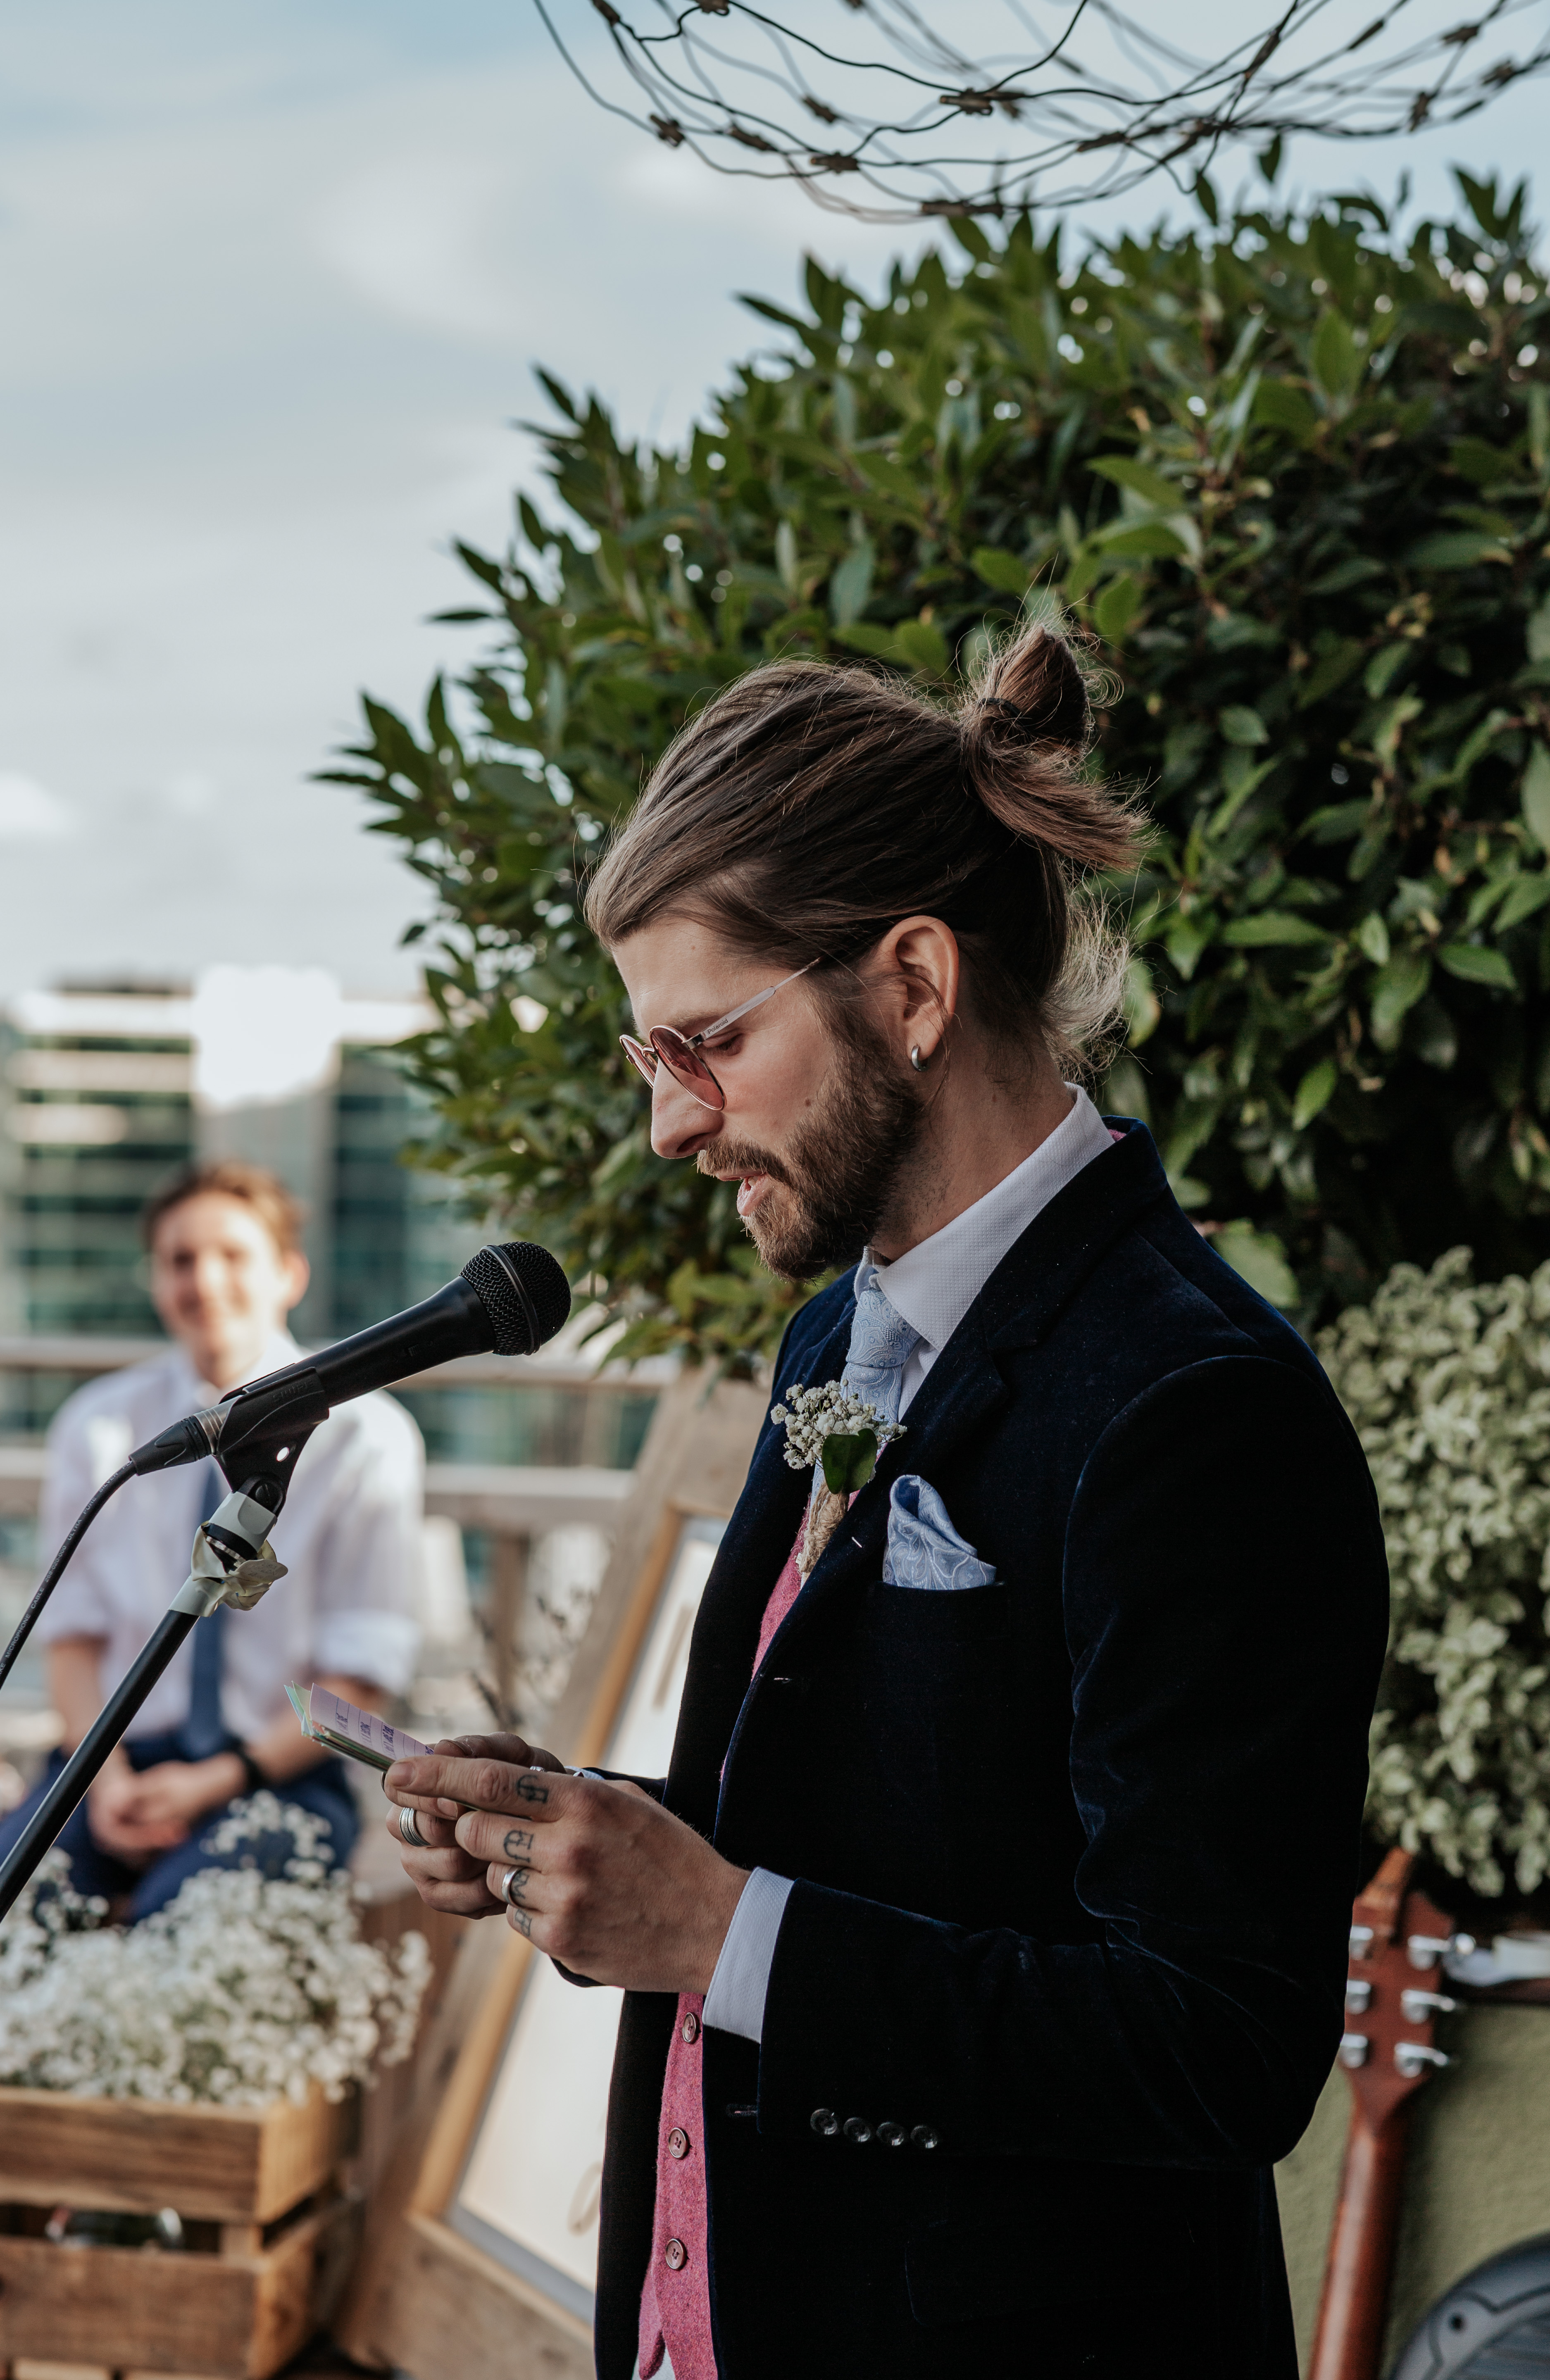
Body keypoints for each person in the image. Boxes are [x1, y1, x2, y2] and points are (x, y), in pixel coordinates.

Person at [383, 621, 1388, 2380]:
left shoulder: (1199, 1406)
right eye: (650, 1060)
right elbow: (899, 1835)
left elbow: (1219, 2046)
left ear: (914, 987)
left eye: (706, 1042)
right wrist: (593, 1840)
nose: (671, 1129)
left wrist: (716, 1931)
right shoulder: (830, 1339)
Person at [0, 1159, 424, 1919]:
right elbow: (72, 1640)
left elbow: (359, 1680)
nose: (205, 1281)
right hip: (109, 1763)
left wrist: (214, 1783)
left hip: (278, 1772)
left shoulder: (368, 1438)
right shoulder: (101, 1426)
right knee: (18, 1900)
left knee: (185, 1921)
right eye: (181, 1260)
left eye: (233, 1256)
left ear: (289, 1273)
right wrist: (107, 1783)